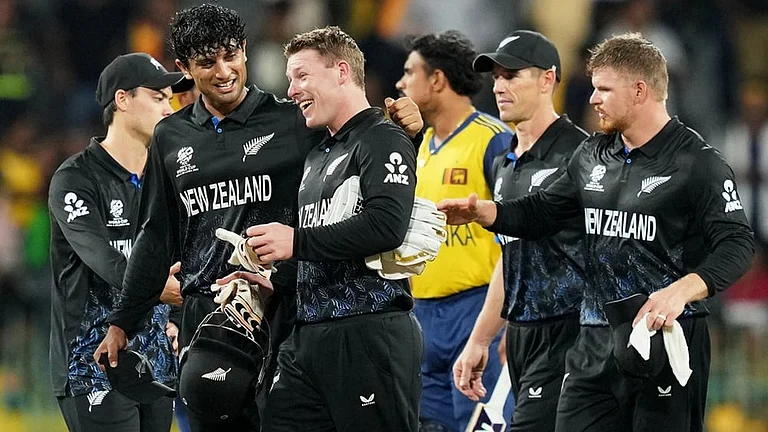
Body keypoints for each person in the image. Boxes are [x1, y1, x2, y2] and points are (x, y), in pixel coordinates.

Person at [92, 4, 423, 431]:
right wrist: (122, 321)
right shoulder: (170, 138)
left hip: (284, 311)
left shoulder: (296, 120)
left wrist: (409, 131)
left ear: (245, 51)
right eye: (207, 62)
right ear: (185, 68)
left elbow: (360, 145)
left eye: (231, 56)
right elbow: (155, 237)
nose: (224, 70)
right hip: (208, 319)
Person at [438, 32, 754, 432]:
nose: (592, 99)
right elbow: (545, 212)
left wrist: (684, 290)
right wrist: (489, 212)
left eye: (604, 89)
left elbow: (737, 242)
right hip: (592, 340)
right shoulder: (591, 154)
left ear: (640, 91)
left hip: (668, 338)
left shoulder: (697, 163)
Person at [240, 26, 424, 431]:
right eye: (290, 79)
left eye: (302, 76)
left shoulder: (382, 139)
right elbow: (314, 247)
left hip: (368, 332)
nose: (291, 90)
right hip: (309, 337)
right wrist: (276, 282)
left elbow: (386, 226)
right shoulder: (318, 155)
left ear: (342, 72)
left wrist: (295, 241)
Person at [451, 30, 588, 432]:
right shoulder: (504, 164)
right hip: (522, 338)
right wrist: (481, 339)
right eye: (495, 77)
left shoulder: (579, 155)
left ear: (548, 80)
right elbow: (509, 257)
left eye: (511, 75)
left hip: (571, 332)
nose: (499, 86)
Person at [48, 52, 186, 432]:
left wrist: (175, 319)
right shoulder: (75, 179)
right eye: (158, 96)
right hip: (90, 364)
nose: (169, 105)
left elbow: (181, 256)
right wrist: (159, 287)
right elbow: (103, 258)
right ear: (122, 100)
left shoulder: (170, 177)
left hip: (156, 359)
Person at [394, 30, 512, 432]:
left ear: (437, 80)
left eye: (410, 72)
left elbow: (518, 233)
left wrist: (505, 322)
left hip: (476, 311)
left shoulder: (494, 141)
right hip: (423, 315)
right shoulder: (419, 146)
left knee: (482, 424)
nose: (400, 83)